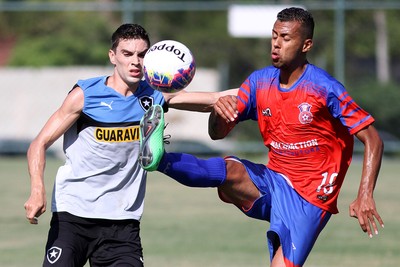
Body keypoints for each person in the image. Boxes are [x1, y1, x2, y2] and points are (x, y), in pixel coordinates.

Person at [139, 7, 384, 267]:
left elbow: (373, 140)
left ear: (306, 45)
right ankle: (158, 158)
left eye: (286, 38)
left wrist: (365, 194)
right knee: (229, 170)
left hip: (310, 199)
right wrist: (219, 111)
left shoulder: (325, 88)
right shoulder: (260, 82)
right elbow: (217, 133)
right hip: (272, 180)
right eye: (274, 36)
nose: (276, 44)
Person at [24, 23, 236, 266]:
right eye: (127, 54)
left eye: (142, 54)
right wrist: (37, 189)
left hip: (122, 224)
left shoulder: (154, 95)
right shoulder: (85, 95)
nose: (135, 61)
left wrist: (272, 86)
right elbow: (38, 144)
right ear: (113, 56)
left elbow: (216, 99)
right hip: (73, 216)